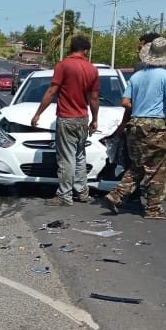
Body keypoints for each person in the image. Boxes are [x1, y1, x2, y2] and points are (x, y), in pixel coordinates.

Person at [102, 37, 166, 220]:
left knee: (139, 165)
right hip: (155, 126)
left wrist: (140, 106)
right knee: (157, 168)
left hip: (135, 125)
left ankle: (116, 195)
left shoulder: (137, 77)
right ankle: (153, 209)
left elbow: (125, 102)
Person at [30, 34, 99, 206]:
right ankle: (82, 192)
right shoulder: (92, 69)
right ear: (85, 51)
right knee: (80, 156)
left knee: (67, 158)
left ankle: (64, 196)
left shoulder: (63, 66)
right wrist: (94, 119)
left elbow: (52, 91)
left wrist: (38, 113)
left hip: (67, 118)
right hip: (83, 118)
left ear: (71, 48)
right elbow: (95, 98)